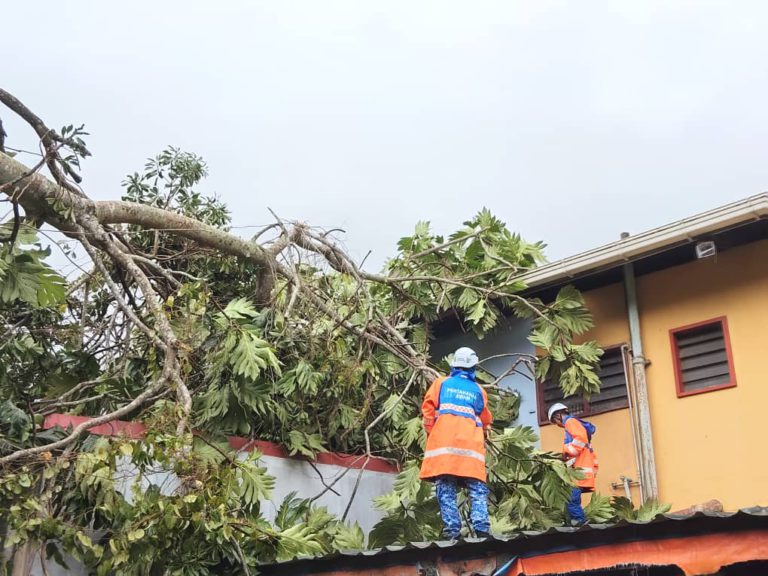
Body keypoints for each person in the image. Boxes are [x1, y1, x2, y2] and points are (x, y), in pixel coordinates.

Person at [419, 347, 493, 539]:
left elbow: (427, 412)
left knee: (446, 488)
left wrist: (432, 433)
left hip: (444, 451)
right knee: (476, 488)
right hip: (470, 451)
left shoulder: (440, 384)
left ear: (454, 365)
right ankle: (481, 527)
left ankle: (452, 530)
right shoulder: (479, 391)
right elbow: (485, 419)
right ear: (473, 367)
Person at [547, 402, 599, 525]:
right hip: (580, 469)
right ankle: (579, 521)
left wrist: (567, 452)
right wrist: (564, 458)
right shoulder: (574, 423)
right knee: (573, 499)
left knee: (571, 499)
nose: (557, 424)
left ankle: (580, 522)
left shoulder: (570, 422)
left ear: (558, 415)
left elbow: (580, 440)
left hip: (579, 471)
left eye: (555, 421)